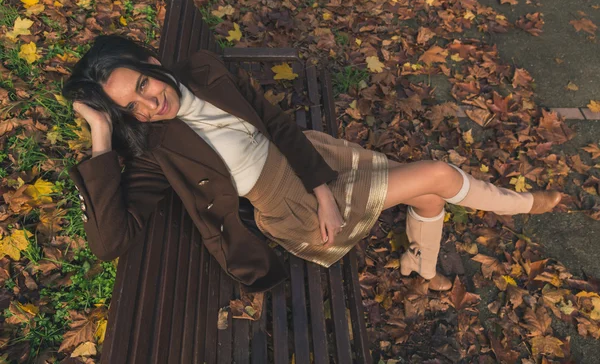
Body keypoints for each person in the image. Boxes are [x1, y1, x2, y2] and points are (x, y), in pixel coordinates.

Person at [64, 35, 562, 293]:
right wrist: (102, 136)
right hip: (292, 213)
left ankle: (422, 268)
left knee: (430, 194)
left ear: (151, 63)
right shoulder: (156, 151)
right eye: (133, 107)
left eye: (144, 86)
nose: (150, 106)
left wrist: (324, 188)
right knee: (436, 175)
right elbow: (110, 242)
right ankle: (523, 205)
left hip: (313, 165)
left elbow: (275, 123)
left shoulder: (203, 70)